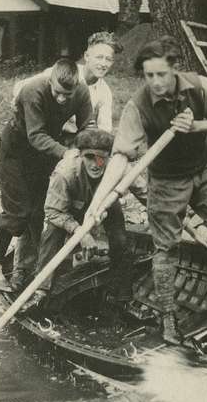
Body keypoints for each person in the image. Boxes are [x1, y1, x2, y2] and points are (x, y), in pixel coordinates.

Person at [87, 36, 207, 345]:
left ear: (175, 70)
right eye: (148, 75)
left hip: (205, 169)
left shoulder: (198, 86)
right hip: (167, 179)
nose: (154, 82)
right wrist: (98, 200)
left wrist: (195, 126)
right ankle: (168, 316)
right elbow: (120, 156)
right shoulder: (139, 105)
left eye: (160, 75)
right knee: (166, 246)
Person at [0, 59, 93, 292]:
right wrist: (68, 153)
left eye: (68, 94)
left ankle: (34, 270)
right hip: (16, 151)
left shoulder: (82, 92)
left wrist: (91, 150)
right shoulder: (33, 90)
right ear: (50, 80)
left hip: (44, 155)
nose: (62, 99)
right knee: (18, 210)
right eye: (58, 93)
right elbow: (36, 136)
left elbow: (88, 126)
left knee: (39, 211)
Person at [19, 129, 130, 314]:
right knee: (52, 233)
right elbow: (53, 212)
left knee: (120, 238)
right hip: (69, 208)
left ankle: (121, 293)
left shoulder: (117, 167)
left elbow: (143, 191)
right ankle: (41, 289)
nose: (95, 164)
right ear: (80, 155)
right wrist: (81, 233)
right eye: (89, 157)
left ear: (109, 157)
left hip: (104, 204)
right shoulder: (65, 173)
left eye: (101, 158)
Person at [11, 31, 120, 137]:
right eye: (99, 57)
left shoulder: (104, 92)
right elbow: (21, 87)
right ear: (87, 56)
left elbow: (105, 128)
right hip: (44, 133)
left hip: (71, 138)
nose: (103, 64)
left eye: (108, 59)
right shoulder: (64, 73)